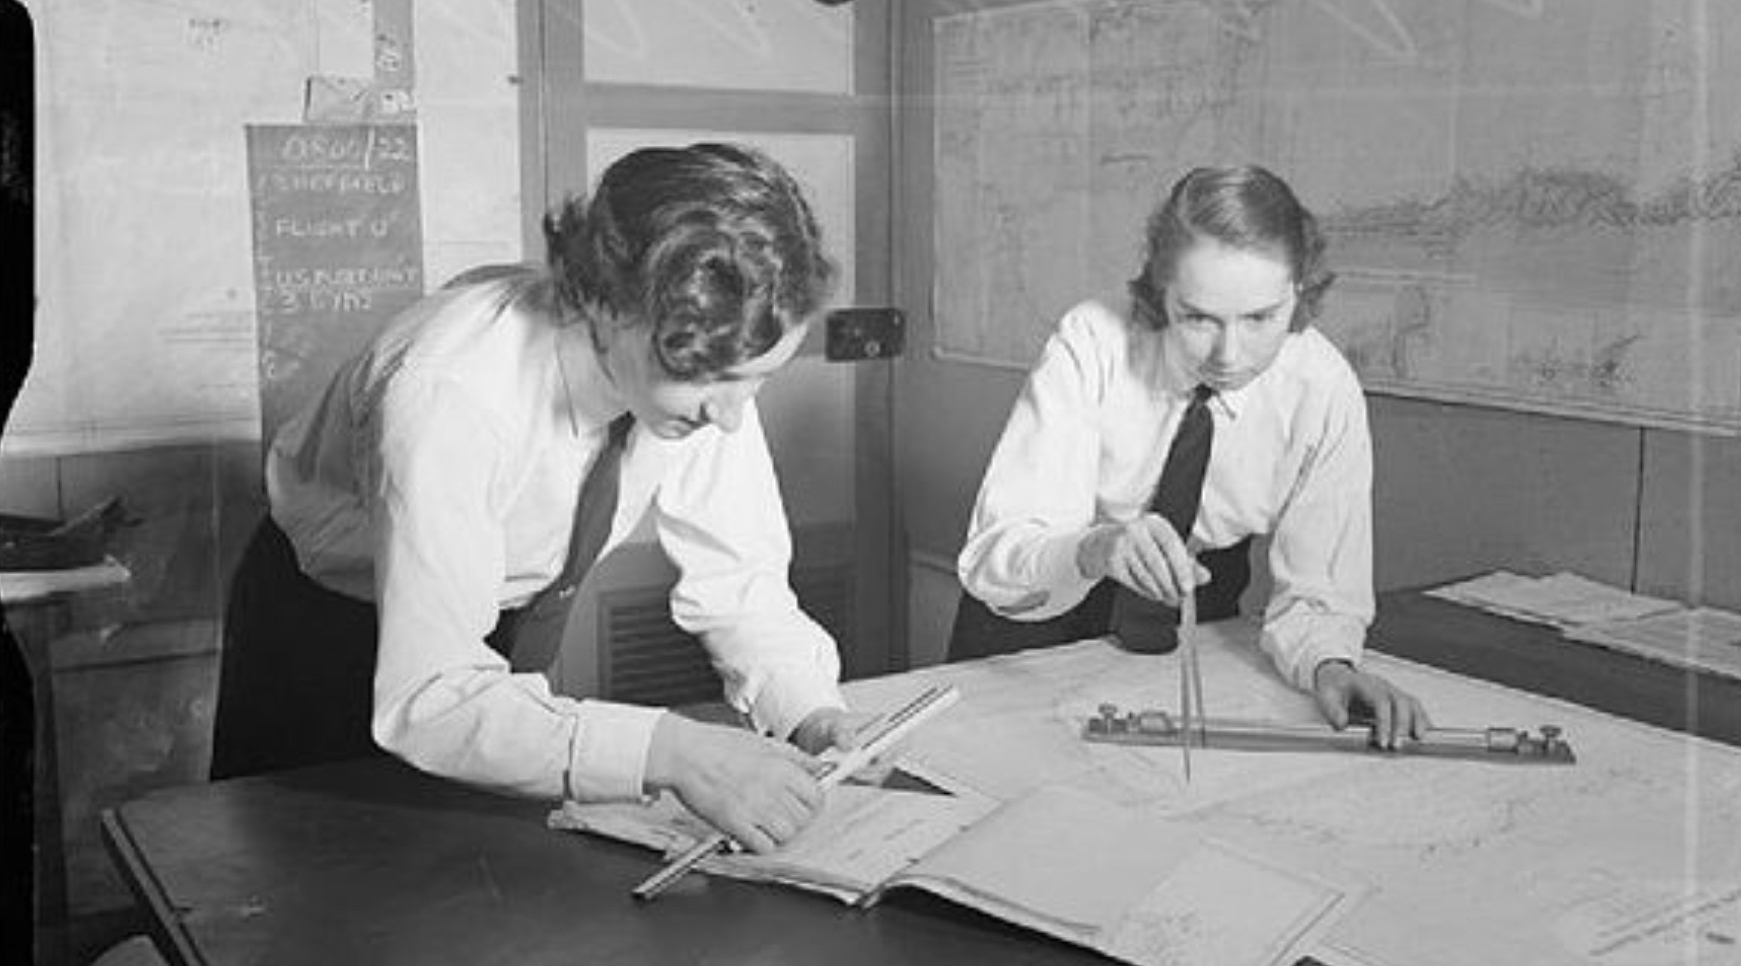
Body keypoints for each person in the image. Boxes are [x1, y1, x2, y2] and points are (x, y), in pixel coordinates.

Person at [212, 142, 861, 852]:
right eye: (711, 382)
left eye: (756, 380)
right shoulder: (449, 391)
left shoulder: (707, 360)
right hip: (330, 625)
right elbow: (429, 700)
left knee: (485, 882)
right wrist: (672, 750)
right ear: (608, 306)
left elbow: (740, 584)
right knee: (310, 887)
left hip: (500, 626)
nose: (731, 415)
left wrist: (811, 712)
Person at [950, 163, 1429, 745]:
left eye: (1260, 318)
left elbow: (1319, 588)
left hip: (1189, 632)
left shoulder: (1322, 388)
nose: (1230, 354)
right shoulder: (1093, 342)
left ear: (1298, 290)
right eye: (1197, 317)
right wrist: (1097, 547)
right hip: (1036, 619)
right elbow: (996, 555)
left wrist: (1332, 665)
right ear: (1159, 291)